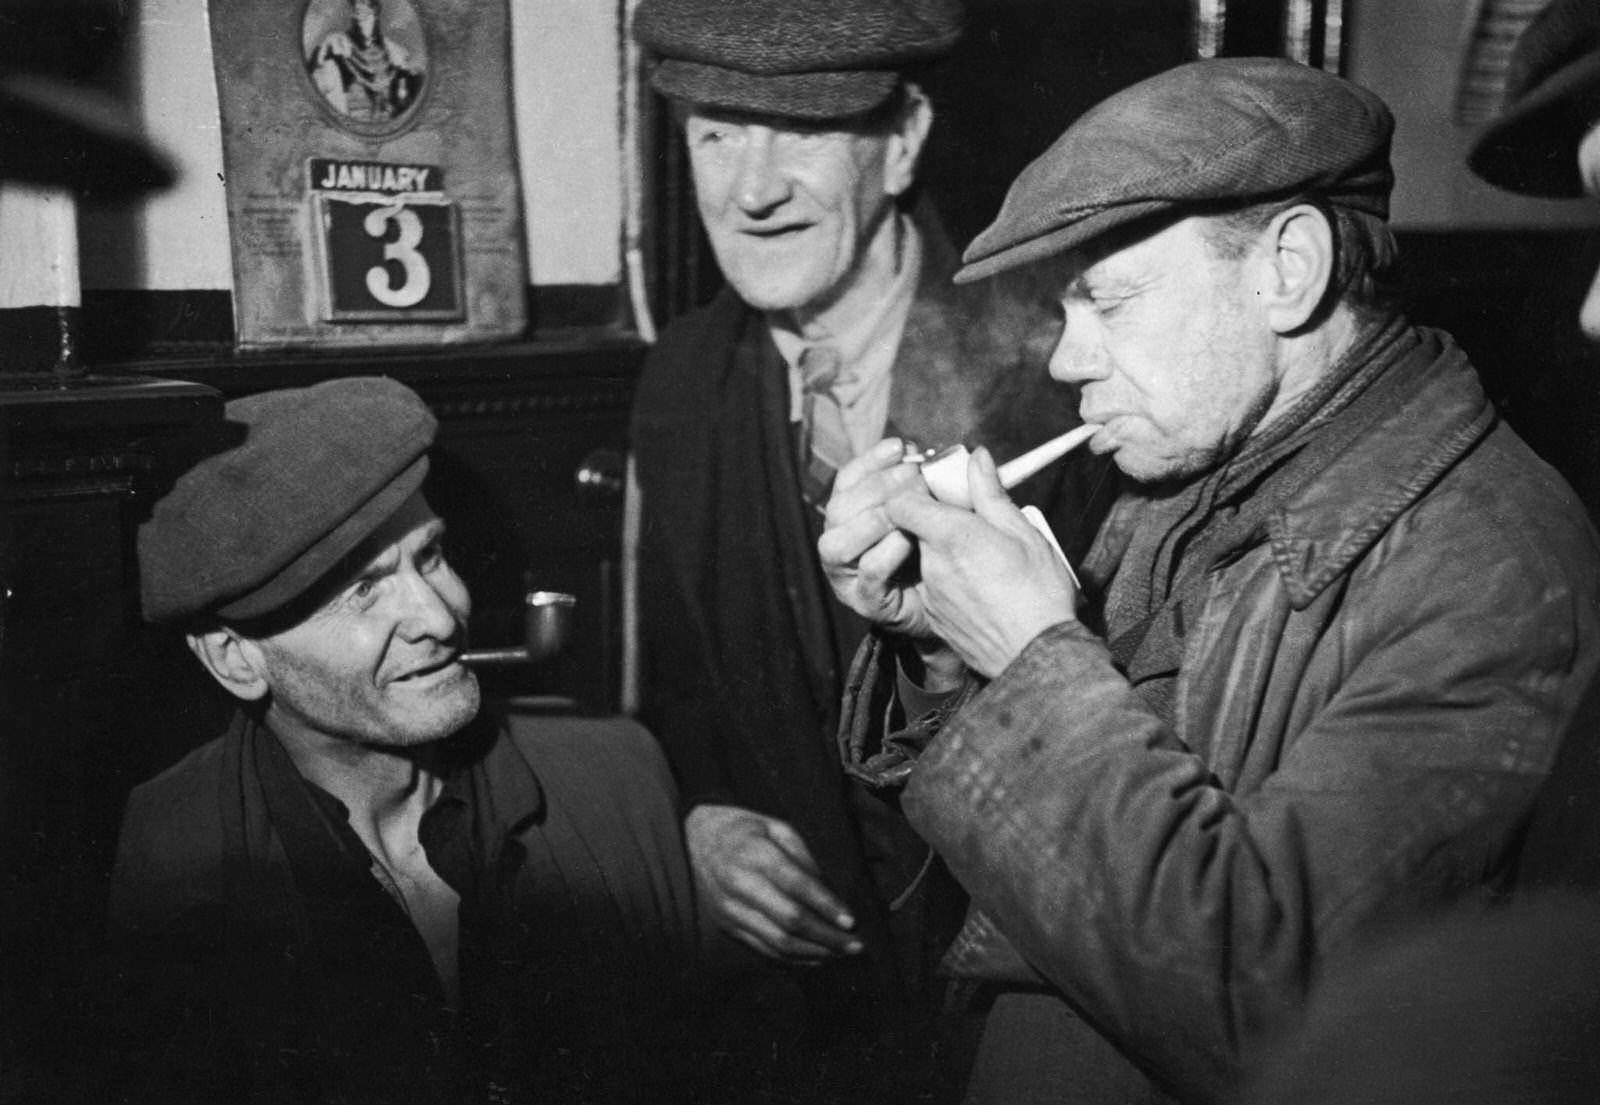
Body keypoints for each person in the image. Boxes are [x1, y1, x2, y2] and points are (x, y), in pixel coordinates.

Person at [819, 56, 1600, 1105]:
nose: (1064, 361)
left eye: (1107, 299)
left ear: (1286, 269)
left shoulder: (1498, 575)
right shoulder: (1186, 470)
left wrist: (1026, 654)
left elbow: (1269, 1001)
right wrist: (943, 642)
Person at [627, 0, 1112, 1095]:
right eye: (715, 131)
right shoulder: (682, 380)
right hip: (801, 1024)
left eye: (800, 131)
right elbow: (683, 688)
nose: (750, 189)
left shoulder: (1063, 360)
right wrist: (696, 823)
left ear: (900, 143)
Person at [105, 377, 701, 1104]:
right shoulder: (165, 859)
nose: (441, 616)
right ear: (235, 657)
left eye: (431, 556)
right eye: (364, 588)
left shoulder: (620, 779)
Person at [307, 0, 423, 123]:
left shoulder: (395, 53)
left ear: (375, 8)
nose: (358, 6)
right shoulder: (335, 45)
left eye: (364, 2)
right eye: (356, 3)